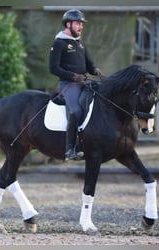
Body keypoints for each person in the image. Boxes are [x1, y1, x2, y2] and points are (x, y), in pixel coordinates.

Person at [49, 9, 102, 161]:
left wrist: (96, 71)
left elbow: (89, 65)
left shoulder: (80, 44)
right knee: (76, 111)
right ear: (68, 24)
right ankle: (70, 149)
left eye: (81, 24)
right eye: (78, 24)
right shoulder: (59, 43)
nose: (81, 27)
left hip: (84, 82)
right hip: (68, 85)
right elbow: (53, 68)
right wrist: (73, 76)